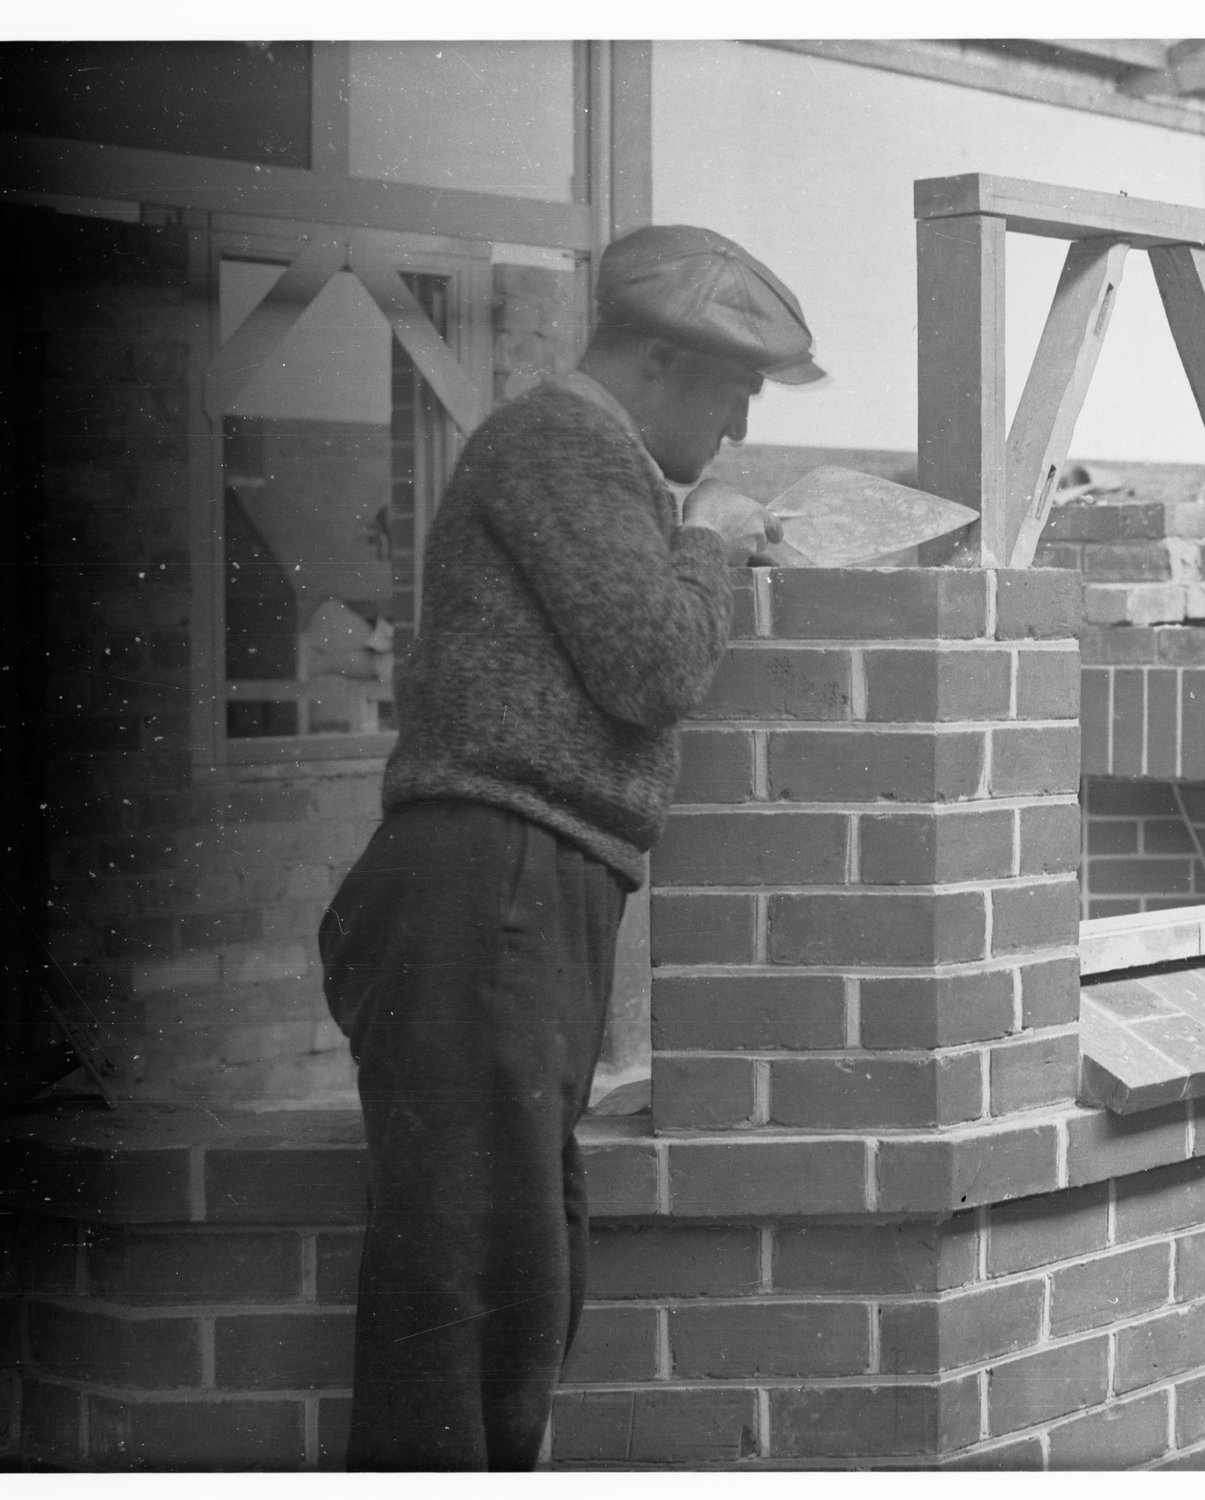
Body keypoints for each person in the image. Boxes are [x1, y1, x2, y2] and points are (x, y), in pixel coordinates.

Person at [318, 225, 823, 1469]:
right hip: (492, 882)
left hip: (514, 887)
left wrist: (692, 535)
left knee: (510, 1264)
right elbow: (650, 665)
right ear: (656, 361)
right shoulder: (563, 443)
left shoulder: (584, 457)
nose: (739, 430)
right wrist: (707, 534)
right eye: (734, 393)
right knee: (469, 1283)